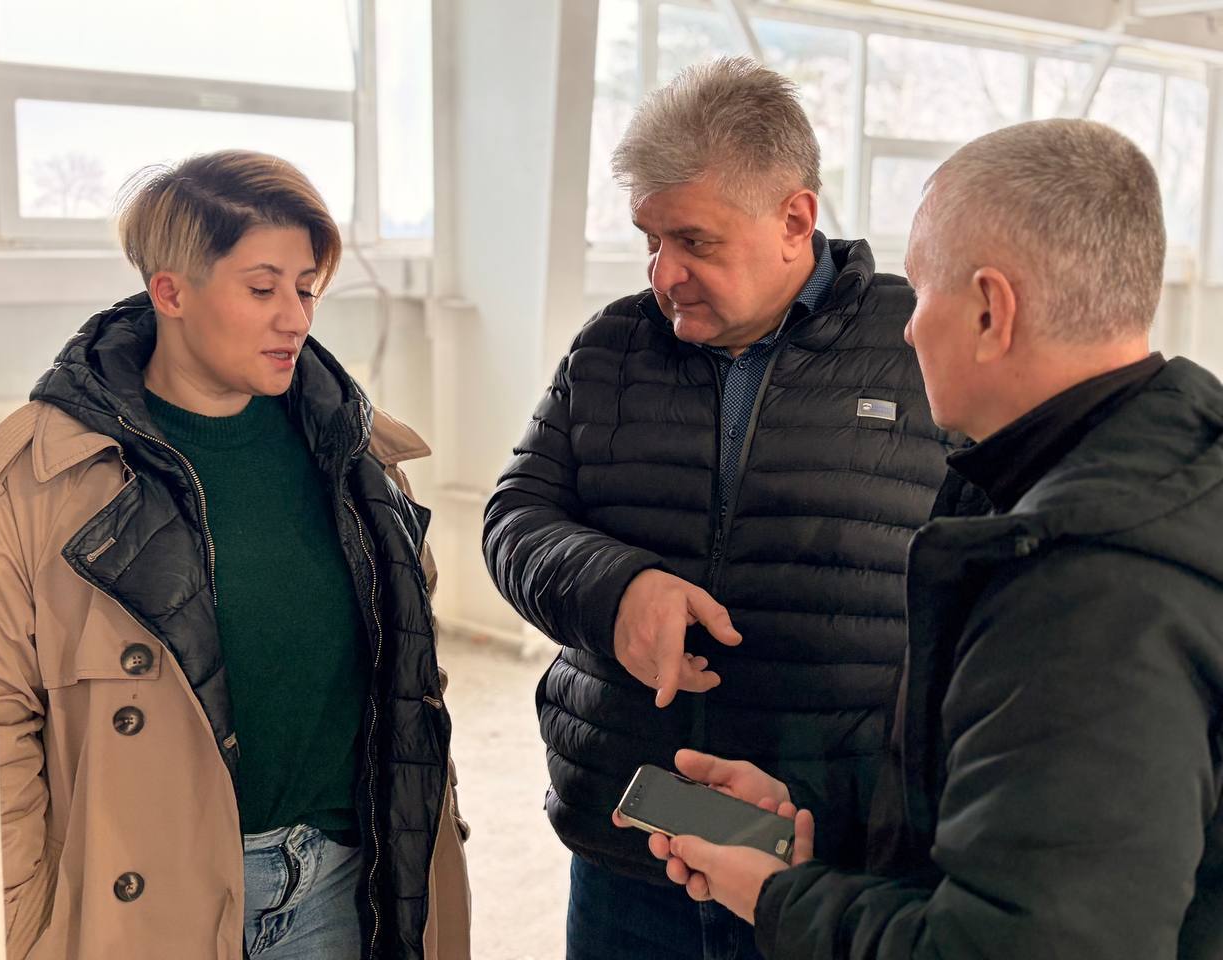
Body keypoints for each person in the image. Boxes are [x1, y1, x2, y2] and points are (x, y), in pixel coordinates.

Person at [645, 118, 1223, 959]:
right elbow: (1024, 818)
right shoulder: (1143, 475)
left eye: (922, 293)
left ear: (991, 310)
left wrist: (777, 898)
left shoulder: (1088, 591)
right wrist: (827, 823)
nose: (910, 329)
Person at [482, 57, 956, 959]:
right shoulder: (612, 346)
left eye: (695, 241)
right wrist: (614, 591)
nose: (665, 273)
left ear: (795, 221)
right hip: (632, 838)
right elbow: (516, 516)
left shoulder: (917, 347)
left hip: (832, 859)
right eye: (650, 239)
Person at [0, 150, 470, 960]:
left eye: (306, 288)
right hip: (145, 904)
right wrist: (19, 922)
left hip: (342, 883)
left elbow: (412, 678)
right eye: (262, 288)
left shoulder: (358, 456)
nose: (296, 318)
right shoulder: (42, 477)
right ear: (170, 292)